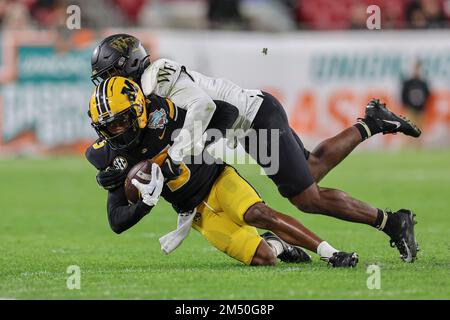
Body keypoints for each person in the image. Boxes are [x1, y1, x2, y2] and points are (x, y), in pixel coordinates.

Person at [90, 34, 421, 263]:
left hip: (252, 117)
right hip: (244, 125)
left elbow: (205, 109)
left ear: (128, 65)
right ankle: (374, 123)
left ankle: (393, 222)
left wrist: (176, 156)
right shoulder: (139, 97)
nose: (107, 85)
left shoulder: (156, 78)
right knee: (313, 168)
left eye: (110, 75)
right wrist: (116, 171)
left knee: (307, 198)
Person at [85, 76, 359, 268]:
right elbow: (116, 221)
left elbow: (226, 112)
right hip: (194, 212)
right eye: (108, 127)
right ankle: (279, 245)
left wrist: (184, 147)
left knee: (258, 214)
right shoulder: (111, 155)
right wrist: (145, 204)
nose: (117, 131)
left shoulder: (164, 112)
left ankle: (331, 254)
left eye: (121, 121)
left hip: (217, 179)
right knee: (264, 258)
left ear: (139, 111)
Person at [401, 60, 430, 134]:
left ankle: (418, 145)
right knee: (408, 130)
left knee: (419, 130)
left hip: (420, 110)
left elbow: (427, 95)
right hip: (410, 110)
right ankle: (408, 145)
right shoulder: (408, 82)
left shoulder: (423, 83)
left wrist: (424, 106)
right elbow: (403, 95)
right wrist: (406, 106)